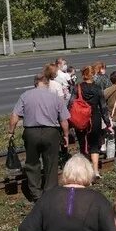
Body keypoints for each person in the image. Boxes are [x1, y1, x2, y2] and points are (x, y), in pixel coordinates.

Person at [9, 73, 70, 201]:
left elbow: (14, 116)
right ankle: (50, 192)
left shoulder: (25, 95)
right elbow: (64, 120)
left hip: (31, 133)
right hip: (51, 133)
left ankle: (36, 194)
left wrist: (11, 132)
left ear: (35, 83)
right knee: (51, 163)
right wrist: (65, 135)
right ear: (47, 83)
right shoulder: (55, 97)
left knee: (32, 163)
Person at [70, 65, 111, 179]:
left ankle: (85, 171)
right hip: (95, 118)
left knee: (83, 144)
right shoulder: (98, 89)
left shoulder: (77, 87)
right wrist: (107, 123)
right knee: (94, 145)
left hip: (80, 119)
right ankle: (96, 171)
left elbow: (70, 104)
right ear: (93, 74)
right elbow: (103, 107)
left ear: (83, 75)